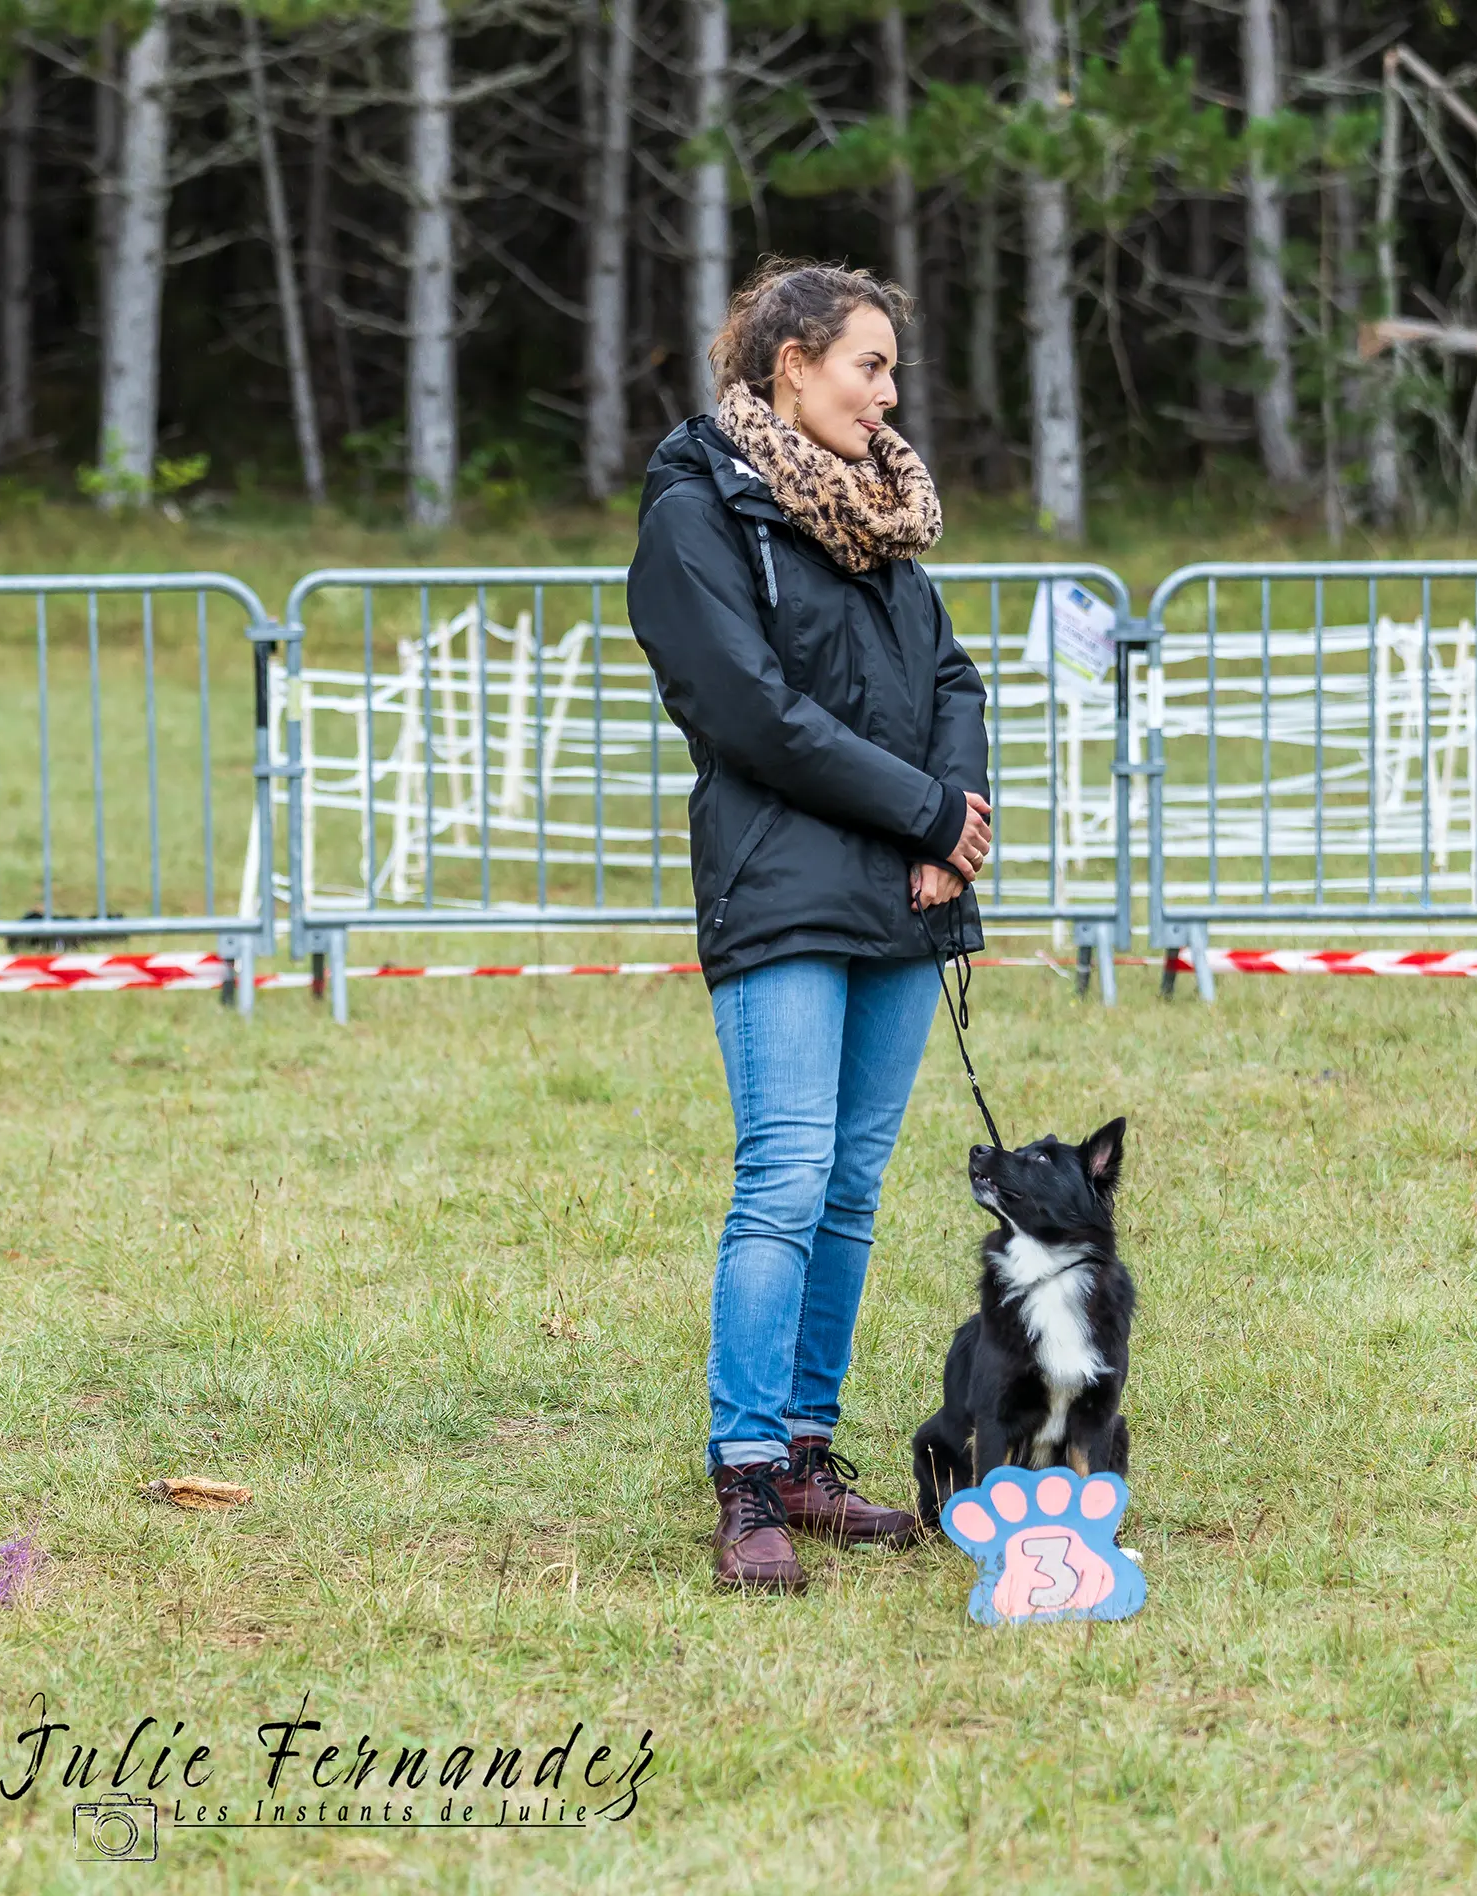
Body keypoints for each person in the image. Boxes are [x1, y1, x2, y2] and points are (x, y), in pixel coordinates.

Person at [625, 259, 992, 1593]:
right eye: (869, 365)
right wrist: (923, 813)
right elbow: (750, 713)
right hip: (783, 885)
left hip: (902, 890)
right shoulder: (696, 513)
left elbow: (948, 673)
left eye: (894, 369)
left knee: (848, 1193)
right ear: (791, 365)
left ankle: (804, 1456)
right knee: (782, 1184)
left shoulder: (877, 508)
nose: (890, 394)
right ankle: (743, 1481)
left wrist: (957, 824)